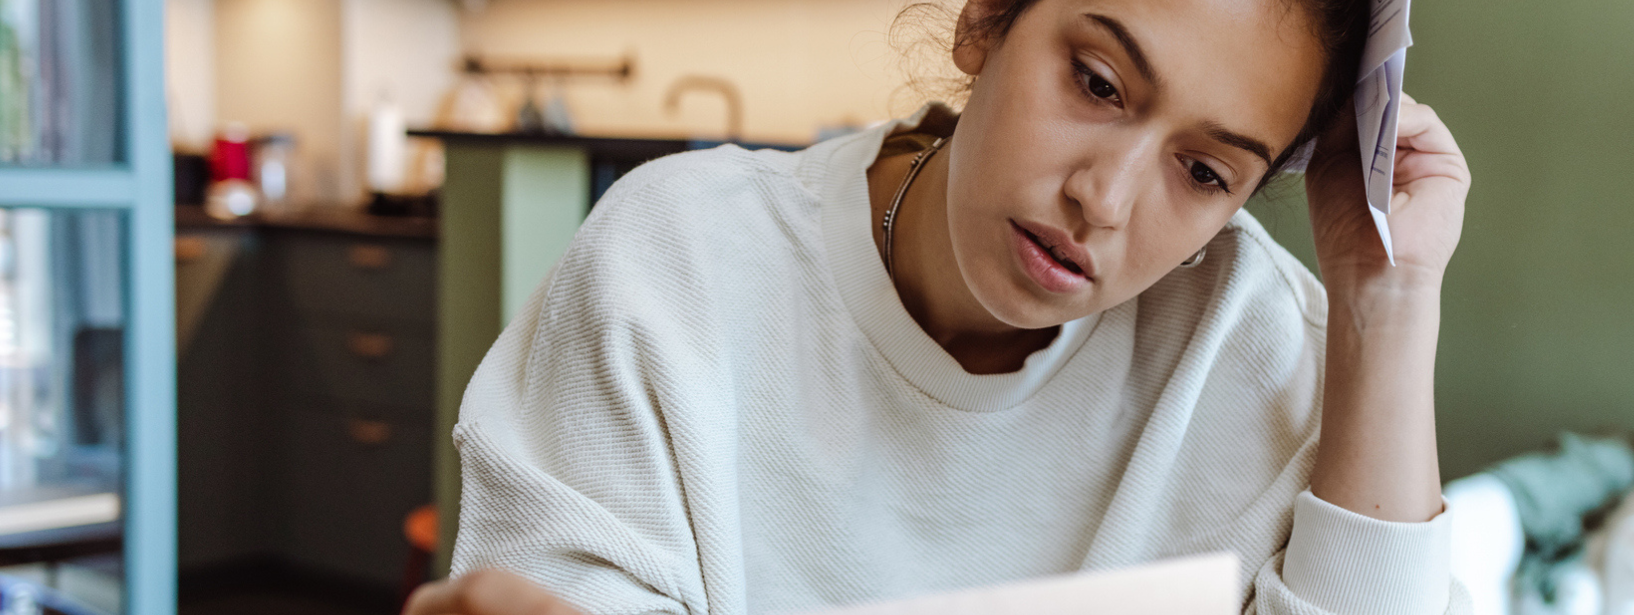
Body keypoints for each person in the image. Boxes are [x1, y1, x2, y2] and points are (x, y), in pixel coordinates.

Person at [405, 0, 1472, 612]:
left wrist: (1387, 298)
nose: (1101, 202)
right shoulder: (675, 262)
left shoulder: (1255, 345)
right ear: (981, 23)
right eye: (1096, 83)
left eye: (1203, 173)